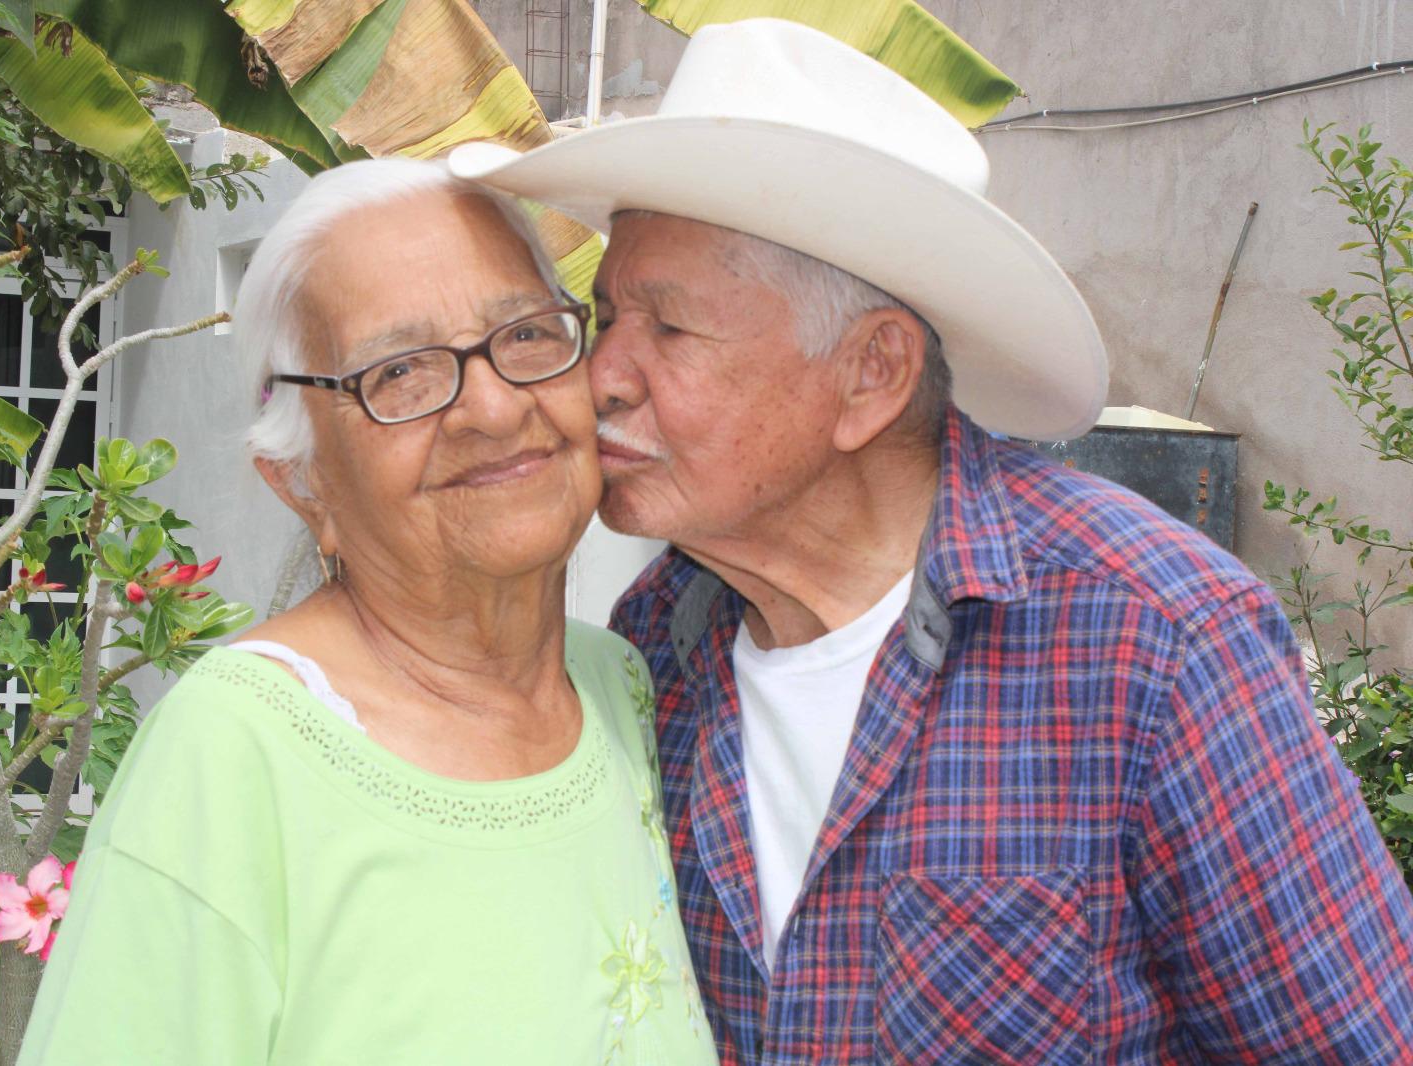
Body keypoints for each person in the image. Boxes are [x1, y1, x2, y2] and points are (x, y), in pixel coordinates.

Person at [451, 17, 1413, 1064]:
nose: (603, 375)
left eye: (669, 328)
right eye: (605, 318)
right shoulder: (655, 641)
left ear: (870, 373)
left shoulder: (1152, 639)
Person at [17, 159, 717, 1065]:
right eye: (402, 374)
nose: (496, 408)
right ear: (304, 483)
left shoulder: (627, 684)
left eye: (528, 334)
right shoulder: (237, 755)